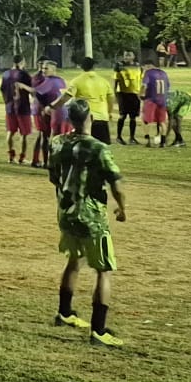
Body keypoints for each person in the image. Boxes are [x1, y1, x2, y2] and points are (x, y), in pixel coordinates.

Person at [48, 99, 127, 347]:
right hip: (90, 215)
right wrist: (122, 208)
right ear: (89, 118)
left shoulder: (57, 142)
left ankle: (65, 312)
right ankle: (99, 331)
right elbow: (115, 184)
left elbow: (54, 176)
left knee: (74, 259)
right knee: (103, 270)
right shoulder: (98, 148)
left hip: (66, 211)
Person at [62, 58, 115, 145]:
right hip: (101, 117)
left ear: (81, 67)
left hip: (84, 119)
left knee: (84, 147)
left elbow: (67, 96)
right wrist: (109, 112)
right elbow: (111, 98)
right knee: (102, 146)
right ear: (94, 66)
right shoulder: (104, 81)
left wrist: (53, 106)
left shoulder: (76, 81)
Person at [31, 61, 68, 169]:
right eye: (43, 68)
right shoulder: (60, 80)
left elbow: (36, 93)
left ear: (53, 69)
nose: (43, 70)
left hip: (54, 112)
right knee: (50, 137)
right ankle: (49, 162)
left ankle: (48, 162)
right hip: (55, 112)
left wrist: (44, 107)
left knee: (48, 137)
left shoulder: (50, 81)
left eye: (46, 68)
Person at [1, 57, 35, 165]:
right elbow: (33, 91)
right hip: (22, 107)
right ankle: (22, 158)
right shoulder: (24, 74)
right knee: (24, 133)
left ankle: (11, 157)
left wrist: (6, 102)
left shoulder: (6, 74)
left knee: (10, 132)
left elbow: (2, 89)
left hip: (10, 107)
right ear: (22, 62)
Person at [139, 55, 170, 146]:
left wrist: (140, 94)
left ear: (148, 66)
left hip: (151, 99)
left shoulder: (148, 73)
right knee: (162, 121)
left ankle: (148, 141)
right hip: (162, 100)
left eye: (144, 67)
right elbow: (168, 86)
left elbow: (144, 85)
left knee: (146, 121)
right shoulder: (164, 73)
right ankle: (163, 142)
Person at [113, 52, 142, 145]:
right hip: (123, 94)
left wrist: (140, 92)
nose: (127, 57)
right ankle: (119, 137)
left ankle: (132, 138)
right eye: (126, 55)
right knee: (122, 115)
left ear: (134, 56)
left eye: (129, 55)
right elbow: (115, 80)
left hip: (135, 94)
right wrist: (115, 94)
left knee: (133, 117)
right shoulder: (119, 65)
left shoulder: (138, 66)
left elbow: (140, 80)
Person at [162, 81, 191, 147]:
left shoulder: (168, 105)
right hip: (177, 102)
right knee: (174, 123)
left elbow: (170, 122)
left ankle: (180, 140)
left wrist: (165, 138)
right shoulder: (164, 102)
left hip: (186, 101)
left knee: (177, 119)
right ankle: (179, 139)